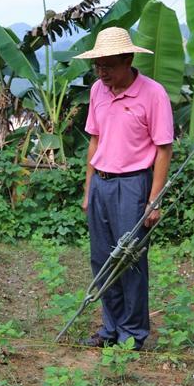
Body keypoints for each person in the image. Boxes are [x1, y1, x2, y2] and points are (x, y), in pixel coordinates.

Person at [75, 27, 174, 351]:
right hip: (101, 184)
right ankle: (110, 329)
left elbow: (163, 148)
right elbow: (95, 140)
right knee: (102, 259)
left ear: (128, 60)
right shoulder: (98, 91)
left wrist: (154, 199)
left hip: (134, 184)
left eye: (109, 66)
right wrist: (88, 187)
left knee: (129, 259)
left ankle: (132, 335)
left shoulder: (153, 93)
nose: (102, 73)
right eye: (98, 66)